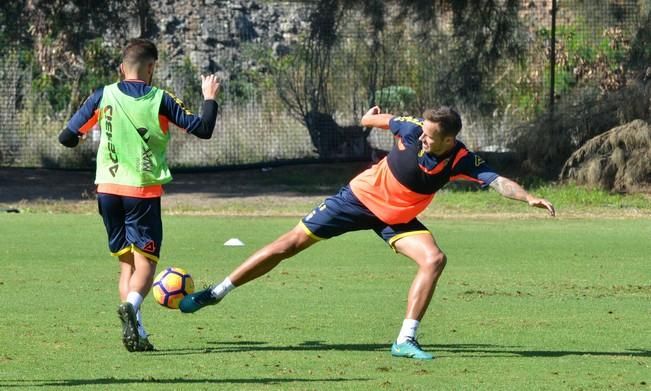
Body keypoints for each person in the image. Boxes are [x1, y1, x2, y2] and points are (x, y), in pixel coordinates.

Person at [180, 105, 555, 360]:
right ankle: (216, 293)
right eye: (422, 132)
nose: (422, 138)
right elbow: (373, 121)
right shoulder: (410, 129)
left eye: (429, 136)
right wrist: (368, 118)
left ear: (448, 140)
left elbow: (498, 181)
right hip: (357, 200)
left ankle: (404, 339)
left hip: (397, 218)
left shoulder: (461, 159)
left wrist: (528, 198)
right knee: (285, 246)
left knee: (434, 259)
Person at [58, 38, 220, 352]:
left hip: (107, 190)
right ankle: (132, 306)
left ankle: (138, 333)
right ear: (151, 68)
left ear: (122, 67)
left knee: (127, 266)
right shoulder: (159, 98)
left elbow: (67, 138)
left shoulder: (101, 95)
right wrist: (209, 97)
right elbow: (203, 129)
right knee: (147, 261)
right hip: (142, 193)